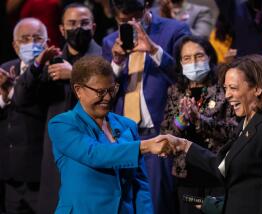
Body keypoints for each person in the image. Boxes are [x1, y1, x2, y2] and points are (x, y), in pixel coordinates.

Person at [158, 54, 262, 214]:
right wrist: (183, 145)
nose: (227, 95)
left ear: (257, 88)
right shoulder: (245, 123)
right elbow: (222, 167)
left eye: (234, 88)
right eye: (225, 88)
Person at [48, 55, 172, 213]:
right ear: (79, 90)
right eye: (100, 92)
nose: (107, 97)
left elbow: (140, 185)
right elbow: (95, 154)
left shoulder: (127, 125)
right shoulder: (62, 124)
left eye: (111, 90)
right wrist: (145, 146)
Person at [103, 0, 190, 213]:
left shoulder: (174, 30)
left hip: (160, 132)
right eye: (124, 19)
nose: (132, 22)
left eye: (136, 16)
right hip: (123, 136)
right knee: (125, 201)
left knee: (157, 203)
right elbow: (105, 93)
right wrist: (116, 62)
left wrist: (153, 50)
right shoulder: (110, 42)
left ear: (147, 6)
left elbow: (185, 77)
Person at [23, 3, 102, 213]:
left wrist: (74, 73)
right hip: (56, 154)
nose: (78, 28)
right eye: (72, 23)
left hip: (91, 148)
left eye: (84, 23)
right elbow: (23, 99)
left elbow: (107, 94)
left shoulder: (105, 58)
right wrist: (37, 65)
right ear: (61, 29)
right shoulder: (52, 61)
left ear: (93, 27)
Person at [160, 35, 237, 213]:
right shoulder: (175, 91)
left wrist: (199, 120)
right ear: (180, 63)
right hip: (187, 176)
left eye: (199, 56)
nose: (193, 62)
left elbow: (233, 131)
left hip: (217, 172)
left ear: (209, 56)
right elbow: (166, 133)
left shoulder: (224, 87)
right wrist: (182, 121)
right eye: (187, 58)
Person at [0, 18, 48, 213]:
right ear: (14, 45)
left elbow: (41, 109)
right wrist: (3, 97)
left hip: (40, 171)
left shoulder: (53, 70)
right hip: (10, 173)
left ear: (47, 42)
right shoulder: (5, 68)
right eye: (25, 39)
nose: (32, 44)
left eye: (37, 38)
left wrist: (12, 93)